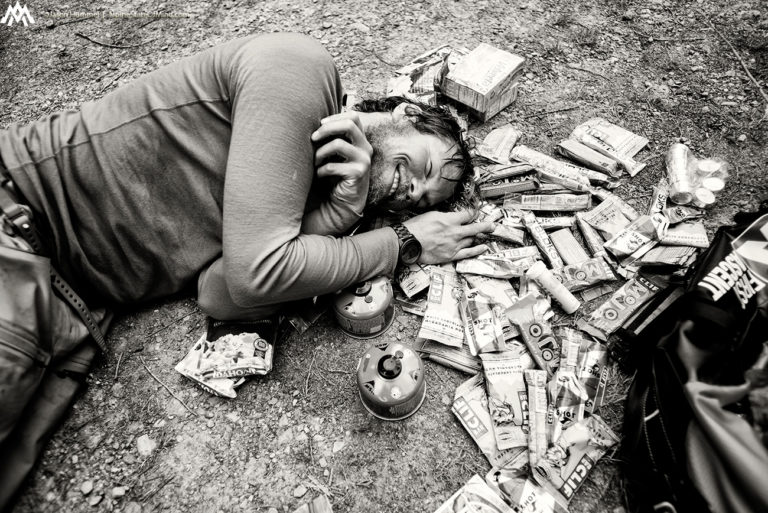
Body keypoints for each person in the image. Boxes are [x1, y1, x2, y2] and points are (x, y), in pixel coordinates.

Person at [0, 32, 493, 508]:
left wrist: (340, 216)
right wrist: (403, 242)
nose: (413, 193)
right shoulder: (300, 72)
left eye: (420, 204)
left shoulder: (336, 193)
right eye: (428, 168)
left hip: (70, 309)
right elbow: (256, 275)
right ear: (407, 114)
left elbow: (221, 293)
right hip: (20, 220)